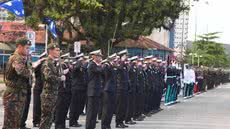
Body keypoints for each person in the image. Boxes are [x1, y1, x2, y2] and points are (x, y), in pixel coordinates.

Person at [3, 38, 32, 129]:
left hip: (18, 94)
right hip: (13, 95)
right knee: (10, 123)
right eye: (27, 48)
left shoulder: (22, 58)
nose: (28, 50)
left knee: (15, 122)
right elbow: (22, 72)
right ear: (19, 47)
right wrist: (30, 71)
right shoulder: (16, 58)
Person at [39, 43, 65, 129]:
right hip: (48, 94)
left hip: (53, 93)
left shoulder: (53, 63)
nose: (59, 52)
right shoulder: (47, 62)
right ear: (50, 51)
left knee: (49, 118)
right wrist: (59, 78)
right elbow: (48, 77)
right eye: (57, 50)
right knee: (46, 119)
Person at [85, 49, 103, 129]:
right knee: (91, 112)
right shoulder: (92, 64)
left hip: (96, 91)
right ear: (94, 56)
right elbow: (99, 71)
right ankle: (89, 127)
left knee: (94, 111)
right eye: (98, 56)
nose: (100, 58)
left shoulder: (96, 65)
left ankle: (92, 127)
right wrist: (102, 65)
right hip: (92, 91)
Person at [69, 53, 88, 127]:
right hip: (76, 88)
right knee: (74, 106)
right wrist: (79, 61)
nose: (83, 61)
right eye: (82, 59)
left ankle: (75, 120)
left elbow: (86, 69)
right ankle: (72, 121)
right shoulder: (76, 66)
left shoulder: (82, 67)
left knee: (79, 106)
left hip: (82, 89)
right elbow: (75, 69)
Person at [101, 53, 118, 129]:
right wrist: (108, 64)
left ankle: (108, 124)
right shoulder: (106, 66)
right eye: (114, 59)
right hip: (107, 89)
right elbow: (105, 76)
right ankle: (104, 125)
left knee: (111, 109)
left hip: (113, 89)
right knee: (106, 109)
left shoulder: (113, 67)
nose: (116, 60)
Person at [32, 52, 47, 127]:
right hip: (38, 88)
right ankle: (36, 121)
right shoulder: (38, 65)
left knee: (42, 105)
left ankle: (40, 120)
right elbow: (33, 66)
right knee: (37, 105)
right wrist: (40, 61)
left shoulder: (45, 65)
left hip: (44, 87)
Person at [115, 49, 129, 128]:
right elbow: (118, 70)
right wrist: (121, 61)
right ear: (121, 57)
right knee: (120, 106)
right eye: (124, 56)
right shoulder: (119, 65)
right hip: (120, 88)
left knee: (124, 106)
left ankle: (121, 121)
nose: (126, 57)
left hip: (125, 88)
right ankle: (118, 122)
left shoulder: (124, 65)